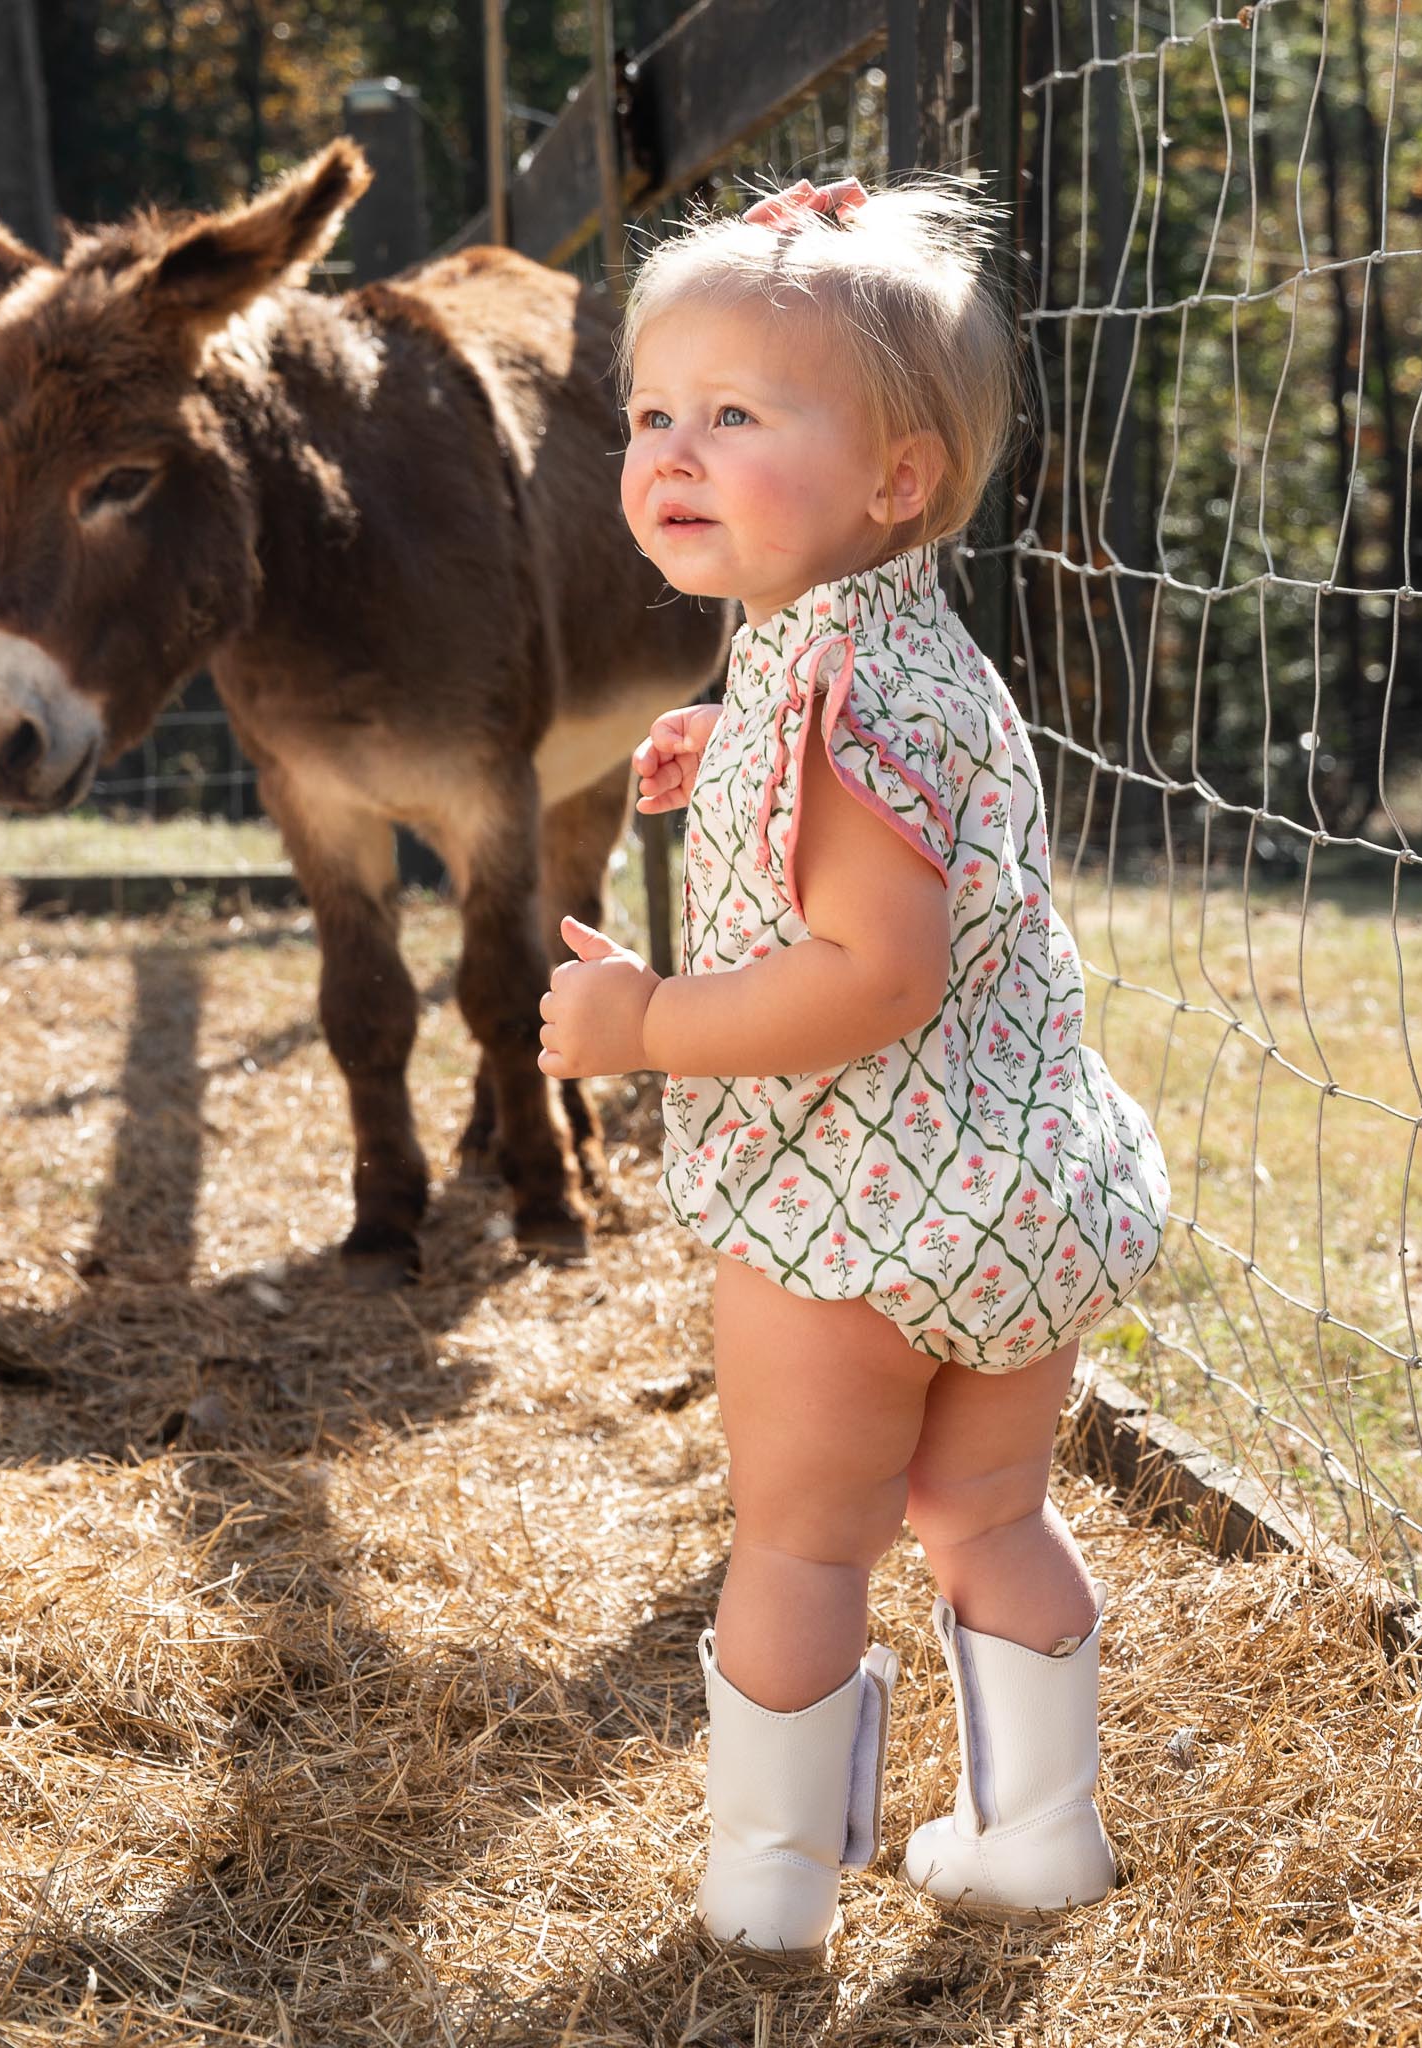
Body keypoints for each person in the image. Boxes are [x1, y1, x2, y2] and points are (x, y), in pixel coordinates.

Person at [537, 174, 1170, 1955]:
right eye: (652, 414)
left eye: (738, 416)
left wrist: (649, 1023)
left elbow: (872, 972)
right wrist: (726, 734)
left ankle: (770, 1887)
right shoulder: (874, 649)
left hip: (852, 1210)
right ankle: (1039, 1834)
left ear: (896, 478)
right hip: (1012, 1192)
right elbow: (894, 814)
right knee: (986, 1512)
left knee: (804, 1543)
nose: (673, 450)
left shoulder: (831, 706)